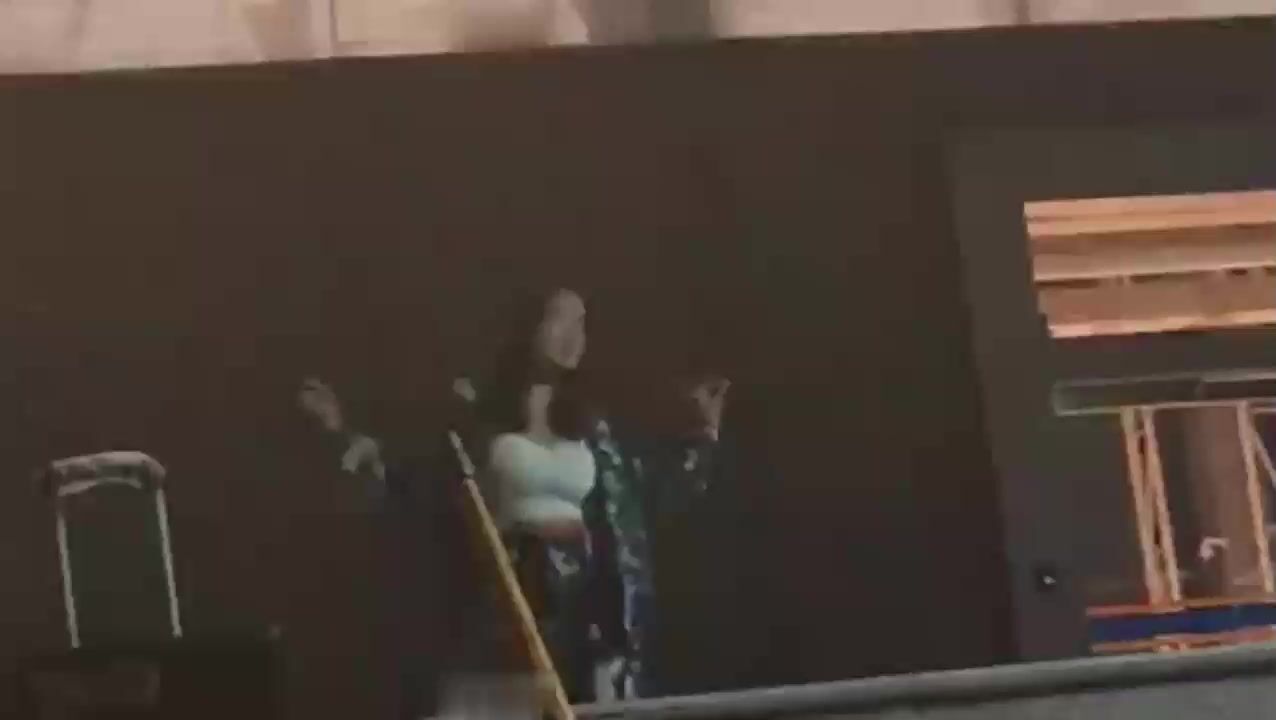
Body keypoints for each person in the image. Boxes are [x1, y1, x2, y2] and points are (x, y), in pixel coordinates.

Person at [297, 287, 728, 705]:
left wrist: (702, 434)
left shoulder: (592, 429)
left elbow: (645, 492)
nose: (573, 334)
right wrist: (338, 433)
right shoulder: (479, 420)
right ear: (529, 327)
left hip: (582, 599)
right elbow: (406, 482)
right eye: (560, 318)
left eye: (582, 323)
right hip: (511, 588)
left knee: (582, 700)